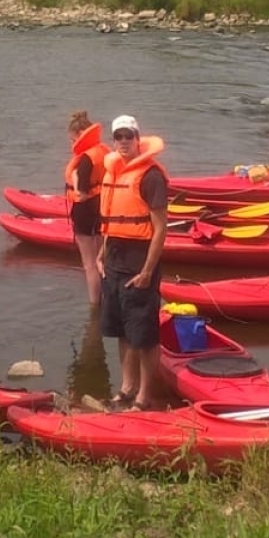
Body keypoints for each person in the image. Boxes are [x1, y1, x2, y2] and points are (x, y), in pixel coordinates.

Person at [96, 114, 176, 410]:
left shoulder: (151, 177)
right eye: (119, 136)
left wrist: (147, 271)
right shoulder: (114, 172)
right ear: (113, 141)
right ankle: (126, 388)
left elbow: (160, 228)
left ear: (138, 139)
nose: (124, 141)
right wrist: (102, 253)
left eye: (129, 136)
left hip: (140, 262)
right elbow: (111, 222)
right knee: (121, 331)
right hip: (115, 260)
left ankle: (145, 395)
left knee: (143, 335)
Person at [63, 110, 108, 307]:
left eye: (73, 139)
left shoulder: (84, 160)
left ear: (81, 134)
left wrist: (73, 177)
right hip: (102, 206)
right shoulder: (104, 151)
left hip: (84, 211)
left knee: (89, 264)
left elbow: (80, 193)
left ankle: (94, 306)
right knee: (100, 260)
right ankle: (106, 300)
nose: (72, 144)